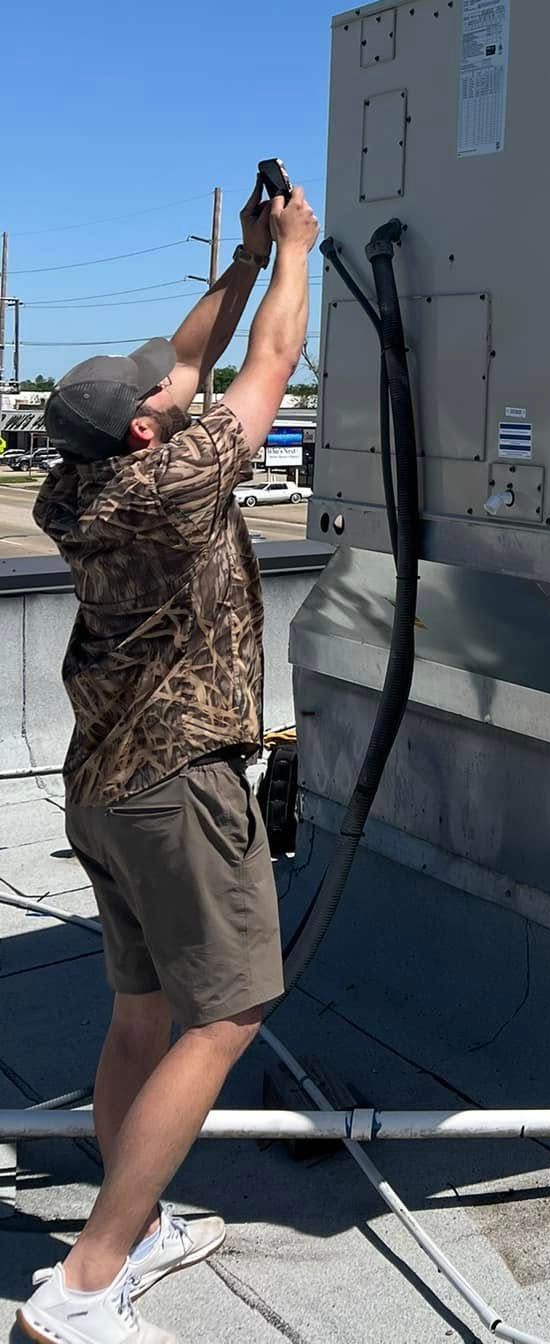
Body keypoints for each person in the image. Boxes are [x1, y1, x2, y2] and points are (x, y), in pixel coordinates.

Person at [18, 174, 320, 1344]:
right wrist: (294, 251)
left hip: (101, 781)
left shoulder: (74, 478)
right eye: (158, 391)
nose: (174, 380)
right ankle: (86, 1283)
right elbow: (272, 360)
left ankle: (129, 1229)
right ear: (145, 428)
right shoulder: (180, 479)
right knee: (228, 1011)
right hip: (178, 781)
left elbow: (185, 365)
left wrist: (238, 264)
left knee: (139, 1011)